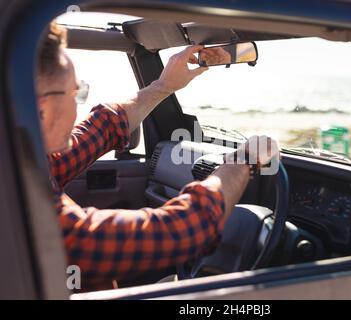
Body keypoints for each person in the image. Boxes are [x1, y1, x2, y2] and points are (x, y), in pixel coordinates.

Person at [36, 22, 279, 291]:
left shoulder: (24, 165)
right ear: (42, 107)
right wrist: (245, 161)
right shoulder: (31, 213)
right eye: (74, 93)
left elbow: (102, 127)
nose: (76, 106)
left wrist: (163, 85)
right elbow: (183, 230)